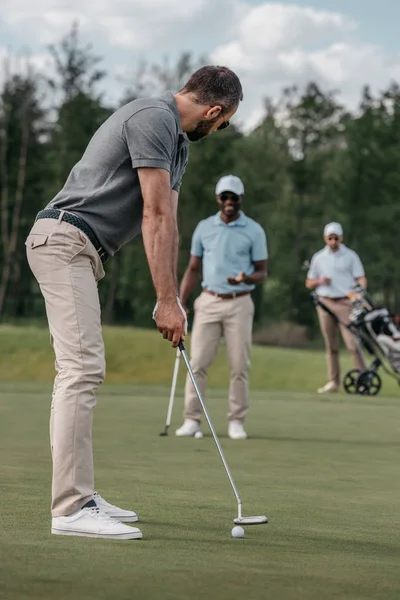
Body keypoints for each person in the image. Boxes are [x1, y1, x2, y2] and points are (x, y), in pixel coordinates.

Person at [24, 65, 243, 540]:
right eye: (224, 123)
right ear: (214, 110)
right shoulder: (153, 117)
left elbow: (170, 223)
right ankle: (71, 508)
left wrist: (173, 301)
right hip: (63, 239)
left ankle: (82, 494)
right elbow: (155, 212)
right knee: (81, 368)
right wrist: (165, 301)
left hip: (83, 251)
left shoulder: (177, 143)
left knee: (84, 368)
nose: (220, 130)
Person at [175, 174, 268, 440]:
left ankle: (236, 421)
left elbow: (262, 272)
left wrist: (245, 277)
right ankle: (192, 420)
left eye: (234, 197)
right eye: (225, 197)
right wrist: (180, 302)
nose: (229, 202)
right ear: (218, 199)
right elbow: (194, 268)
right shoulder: (205, 228)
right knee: (198, 363)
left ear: (241, 200)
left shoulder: (254, 230)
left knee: (239, 365)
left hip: (239, 302)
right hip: (208, 300)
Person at [306, 222, 367, 394]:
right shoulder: (319, 257)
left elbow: (360, 278)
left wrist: (359, 294)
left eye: (336, 238)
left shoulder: (350, 256)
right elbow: (309, 282)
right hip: (325, 303)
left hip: (345, 303)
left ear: (341, 238)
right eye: (330, 238)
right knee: (331, 345)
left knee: (352, 344)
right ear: (325, 238)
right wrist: (320, 281)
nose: (333, 242)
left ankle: (363, 378)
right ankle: (334, 382)